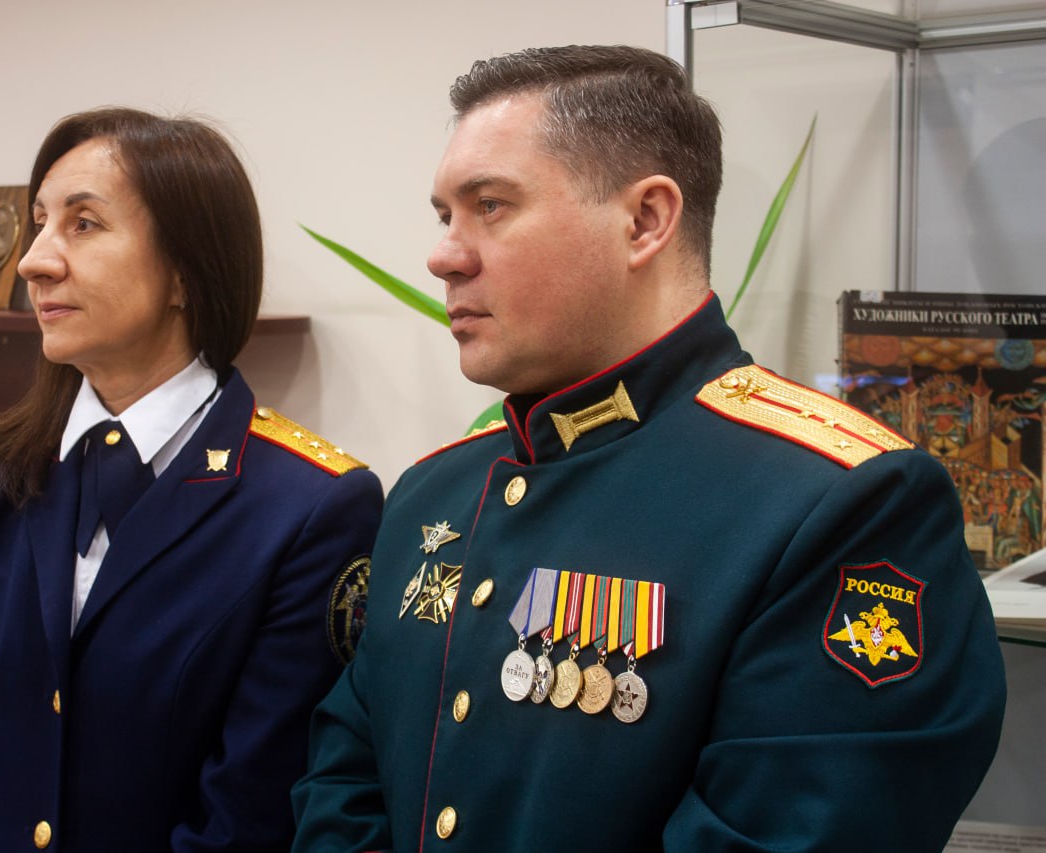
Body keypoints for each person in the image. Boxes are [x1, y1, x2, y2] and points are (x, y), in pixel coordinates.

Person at [291, 45, 1005, 851]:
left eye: (489, 205)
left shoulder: (842, 501)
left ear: (645, 221)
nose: (444, 255)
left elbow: (788, 831)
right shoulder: (434, 491)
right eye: (444, 216)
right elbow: (343, 778)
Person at [0, 107, 383, 851]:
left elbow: (247, 818)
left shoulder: (311, 507)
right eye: (40, 224)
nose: (33, 262)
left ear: (185, 271)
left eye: (83, 224)